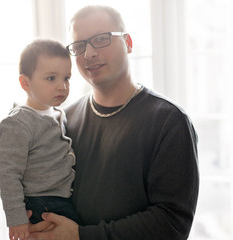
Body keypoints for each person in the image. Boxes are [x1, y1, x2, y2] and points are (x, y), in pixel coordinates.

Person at [29, 5, 199, 240]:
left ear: (128, 43)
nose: (88, 53)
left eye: (101, 39)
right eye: (79, 46)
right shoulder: (60, 119)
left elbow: (172, 223)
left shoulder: (169, 121)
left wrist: (82, 236)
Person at [0, 39, 80, 240]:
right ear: (25, 83)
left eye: (66, 78)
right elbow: (8, 175)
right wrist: (16, 219)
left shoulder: (58, 113)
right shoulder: (18, 123)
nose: (62, 86)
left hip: (64, 198)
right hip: (41, 202)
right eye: (51, 78)